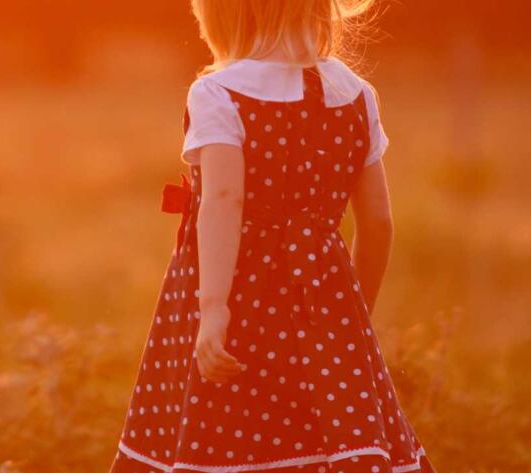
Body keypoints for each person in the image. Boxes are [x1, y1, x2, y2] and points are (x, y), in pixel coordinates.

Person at [109, 1, 436, 471]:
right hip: (325, 308)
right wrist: (352, 318)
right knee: (330, 437)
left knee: (228, 437)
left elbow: (224, 200)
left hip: (237, 303)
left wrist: (214, 308)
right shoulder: (357, 93)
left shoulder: (218, 92)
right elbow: (379, 222)